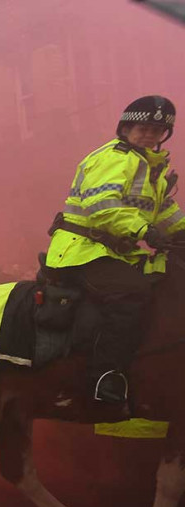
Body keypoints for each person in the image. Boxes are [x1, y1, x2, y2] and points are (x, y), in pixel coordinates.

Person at [45, 95, 184, 403]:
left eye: (157, 130)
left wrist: (180, 231)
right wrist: (144, 231)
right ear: (126, 127)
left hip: (113, 253)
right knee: (132, 294)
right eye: (142, 127)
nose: (149, 133)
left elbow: (165, 212)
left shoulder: (152, 169)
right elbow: (103, 207)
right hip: (82, 250)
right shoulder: (113, 158)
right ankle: (104, 376)